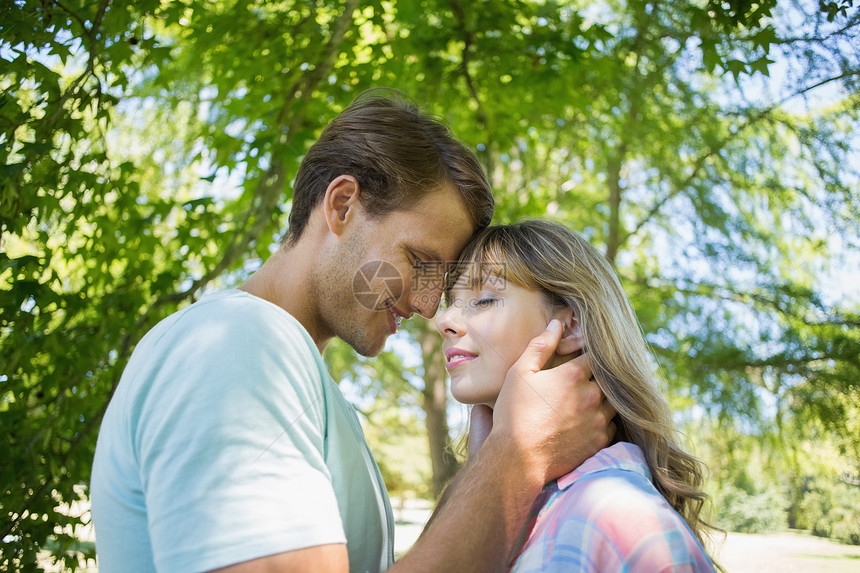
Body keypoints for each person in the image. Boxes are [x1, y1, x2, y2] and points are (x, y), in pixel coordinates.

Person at [90, 90, 616, 573]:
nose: (430, 306)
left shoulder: (289, 372)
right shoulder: (235, 344)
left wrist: (481, 467)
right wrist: (519, 456)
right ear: (342, 206)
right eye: (420, 261)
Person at [437, 220, 719, 572]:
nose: (444, 320)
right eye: (452, 302)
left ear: (571, 326)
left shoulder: (622, 518)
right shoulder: (517, 506)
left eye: (484, 299)